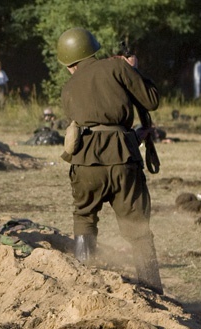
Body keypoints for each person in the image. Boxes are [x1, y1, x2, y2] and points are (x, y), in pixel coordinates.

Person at [57, 27, 163, 294]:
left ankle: (84, 285)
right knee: (137, 228)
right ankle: (152, 290)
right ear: (93, 48)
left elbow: (90, 122)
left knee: (84, 217)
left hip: (83, 161)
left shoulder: (68, 88)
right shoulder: (116, 67)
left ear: (70, 63)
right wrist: (133, 70)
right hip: (122, 158)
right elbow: (151, 101)